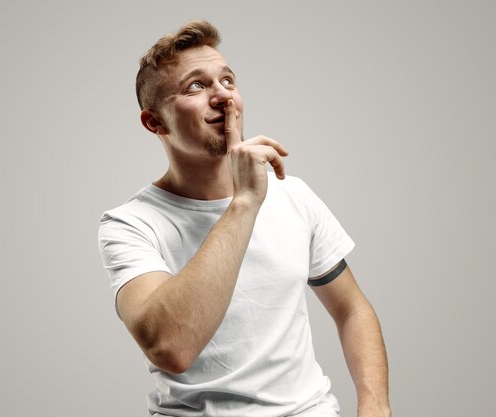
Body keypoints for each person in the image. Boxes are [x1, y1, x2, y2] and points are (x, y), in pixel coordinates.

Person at [98, 20, 391, 417]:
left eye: (228, 81)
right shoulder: (131, 224)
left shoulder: (293, 195)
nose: (222, 96)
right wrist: (245, 202)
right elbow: (171, 348)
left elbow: (352, 307)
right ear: (155, 122)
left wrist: (375, 407)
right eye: (196, 87)